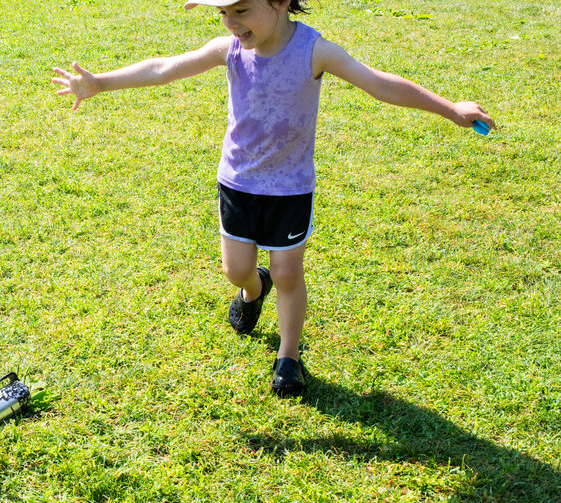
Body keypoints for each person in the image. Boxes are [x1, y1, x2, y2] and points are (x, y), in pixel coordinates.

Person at [51, 0, 494, 397]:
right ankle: (252, 289)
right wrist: (100, 83)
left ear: (281, 2)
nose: (230, 23)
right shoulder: (228, 49)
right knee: (236, 270)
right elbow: (165, 68)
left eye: (241, 10)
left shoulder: (315, 51)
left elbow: (381, 85)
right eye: (223, 13)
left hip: (290, 188)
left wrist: (451, 109)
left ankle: (288, 357)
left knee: (287, 272)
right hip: (238, 181)